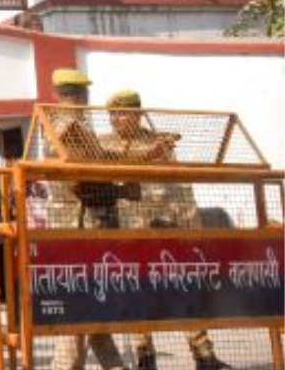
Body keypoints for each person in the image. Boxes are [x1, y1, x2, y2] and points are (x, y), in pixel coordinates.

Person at [106, 90, 230, 370]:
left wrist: (191, 226)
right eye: (112, 114)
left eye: (122, 113)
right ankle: (145, 357)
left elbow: (180, 186)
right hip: (133, 233)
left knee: (184, 289)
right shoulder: (106, 145)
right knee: (139, 294)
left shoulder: (160, 143)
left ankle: (204, 355)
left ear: (137, 114)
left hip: (169, 230)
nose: (116, 120)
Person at [45, 69, 129, 370]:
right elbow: (90, 162)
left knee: (96, 309)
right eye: (80, 94)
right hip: (79, 227)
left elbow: (96, 162)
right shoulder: (64, 122)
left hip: (88, 225)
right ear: (77, 95)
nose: (83, 99)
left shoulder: (70, 123)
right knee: (82, 308)